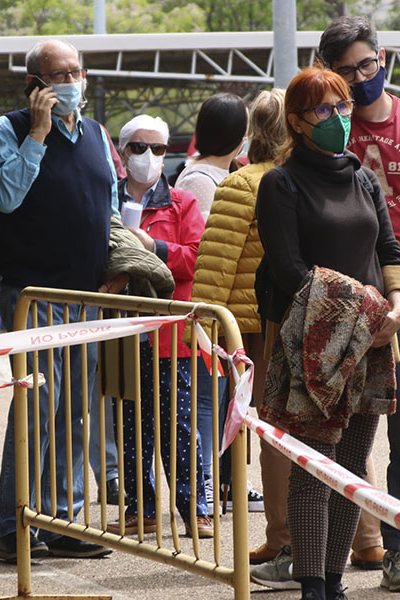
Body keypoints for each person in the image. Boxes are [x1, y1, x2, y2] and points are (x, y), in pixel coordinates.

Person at [249, 66, 400, 600]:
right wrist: (366, 309)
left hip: (374, 344)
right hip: (312, 348)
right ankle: (312, 584)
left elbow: (388, 249)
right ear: (296, 121)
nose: (339, 118)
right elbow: (291, 270)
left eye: (343, 107)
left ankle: (334, 581)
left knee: (351, 472)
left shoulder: (363, 176)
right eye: (324, 110)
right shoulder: (280, 183)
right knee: (314, 471)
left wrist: (399, 304)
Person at [318, 16, 400, 590]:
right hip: (338, 306)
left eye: (367, 65)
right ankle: (318, 557)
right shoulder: (322, 129)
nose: (359, 78)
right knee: (328, 438)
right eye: (345, 71)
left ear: (384, 59)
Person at [0, 38, 116, 562]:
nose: (71, 80)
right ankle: (15, 525)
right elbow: (6, 198)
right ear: (35, 84)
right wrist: (37, 134)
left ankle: (62, 521)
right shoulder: (9, 131)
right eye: (59, 73)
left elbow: (110, 208)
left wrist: (119, 267)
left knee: (76, 414)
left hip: (87, 295)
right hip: (34, 295)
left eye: (76, 71)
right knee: (36, 410)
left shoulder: (97, 133)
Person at [189, 88, 288, 560]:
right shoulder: (321, 176)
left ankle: (284, 539)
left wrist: (204, 328)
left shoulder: (240, 183)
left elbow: (216, 265)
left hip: (256, 330)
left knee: (272, 432)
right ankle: (367, 540)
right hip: (321, 324)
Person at [102, 114, 211, 538]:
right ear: (123, 151)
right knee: (128, 425)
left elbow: (196, 257)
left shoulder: (181, 202)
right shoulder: (104, 198)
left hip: (169, 332)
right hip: (120, 331)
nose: (150, 157)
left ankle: (194, 509)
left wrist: (154, 248)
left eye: (160, 149)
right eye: (140, 148)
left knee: (179, 424)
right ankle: (140, 510)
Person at [174, 92, 254, 509]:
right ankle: (205, 485)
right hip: (205, 310)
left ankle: (225, 481)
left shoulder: (227, 174)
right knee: (207, 402)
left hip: (226, 312)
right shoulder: (199, 180)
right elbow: (208, 248)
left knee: (226, 402)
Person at [175, 93, 248, 221]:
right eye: (247, 128)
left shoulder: (225, 171)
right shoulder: (199, 180)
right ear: (234, 133)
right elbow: (201, 236)